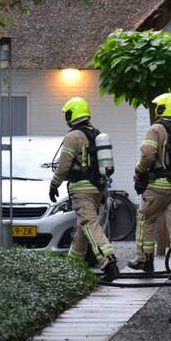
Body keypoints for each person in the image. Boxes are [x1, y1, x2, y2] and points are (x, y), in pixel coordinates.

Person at [128, 92, 171, 279]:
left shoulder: (156, 129)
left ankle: (144, 260)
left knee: (145, 218)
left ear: (162, 108)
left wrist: (139, 170)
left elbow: (148, 155)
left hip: (160, 186)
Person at [49, 96, 119, 282]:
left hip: (81, 189)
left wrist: (54, 184)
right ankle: (73, 266)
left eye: (68, 113)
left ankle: (108, 261)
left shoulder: (73, 136)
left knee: (89, 224)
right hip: (98, 189)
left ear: (73, 114)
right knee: (84, 226)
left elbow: (64, 166)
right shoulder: (96, 134)